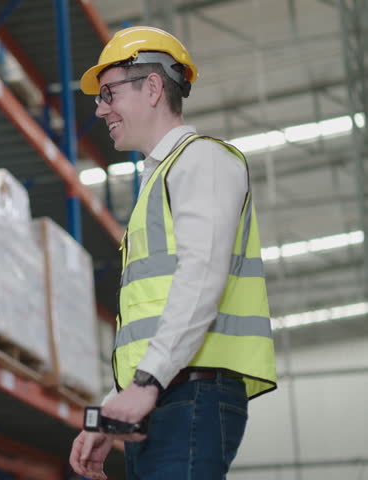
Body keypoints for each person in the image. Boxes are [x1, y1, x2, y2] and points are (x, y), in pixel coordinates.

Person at [69, 27, 277, 479]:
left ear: (152, 87)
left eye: (109, 93)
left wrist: (146, 382)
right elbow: (157, 312)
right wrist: (113, 407)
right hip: (167, 395)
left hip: (188, 394)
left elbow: (200, 279)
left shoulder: (201, 160)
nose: (100, 108)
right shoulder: (159, 180)